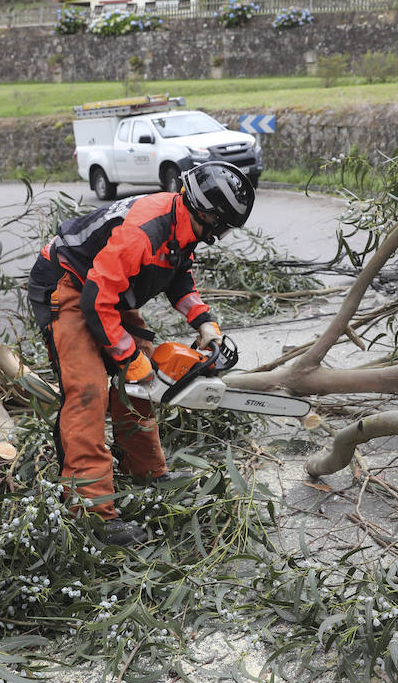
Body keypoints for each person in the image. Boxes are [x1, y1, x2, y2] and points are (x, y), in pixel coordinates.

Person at [28, 161, 255, 547]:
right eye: (223, 224)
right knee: (88, 391)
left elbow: (179, 275)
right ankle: (91, 512)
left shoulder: (183, 222)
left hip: (107, 291)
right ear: (209, 215)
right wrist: (130, 359)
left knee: (141, 384)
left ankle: (145, 471)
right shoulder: (145, 232)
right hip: (68, 286)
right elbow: (94, 301)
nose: (222, 233)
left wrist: (204, 323)